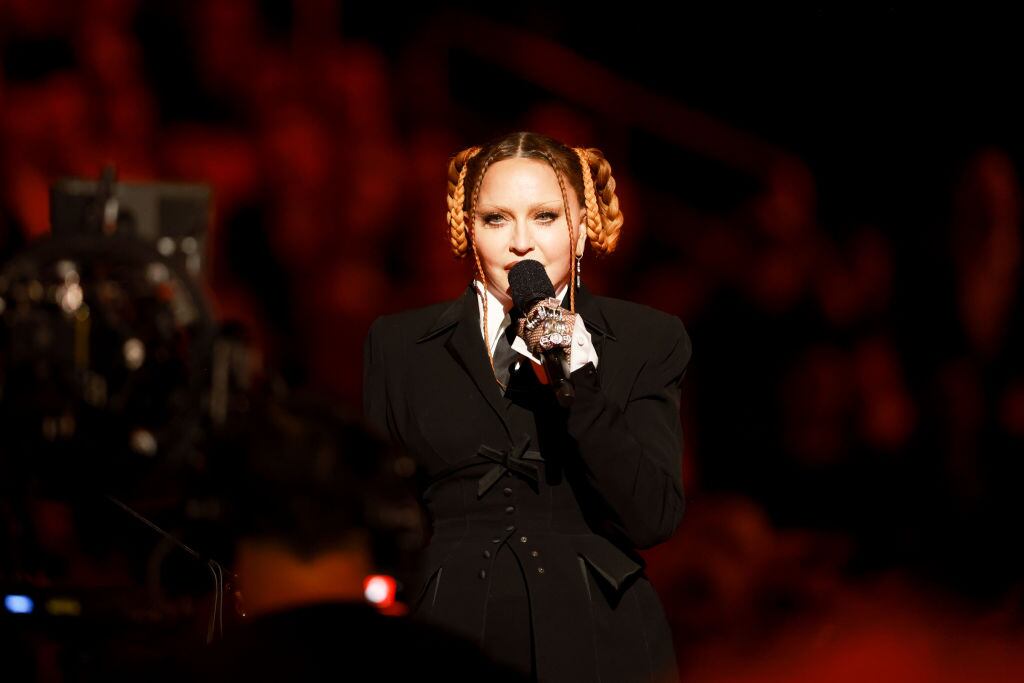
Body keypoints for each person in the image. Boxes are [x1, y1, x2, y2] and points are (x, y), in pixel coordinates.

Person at [363, 131, 693, 682]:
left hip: (598, 630)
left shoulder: (645, 338)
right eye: (496, 219)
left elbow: (652, 515)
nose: (522, 242)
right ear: (469, 230)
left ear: (582, 230)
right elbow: (378, 517)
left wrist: (578, 376)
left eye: (544, 216)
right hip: (447, 633)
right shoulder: (398, 345)